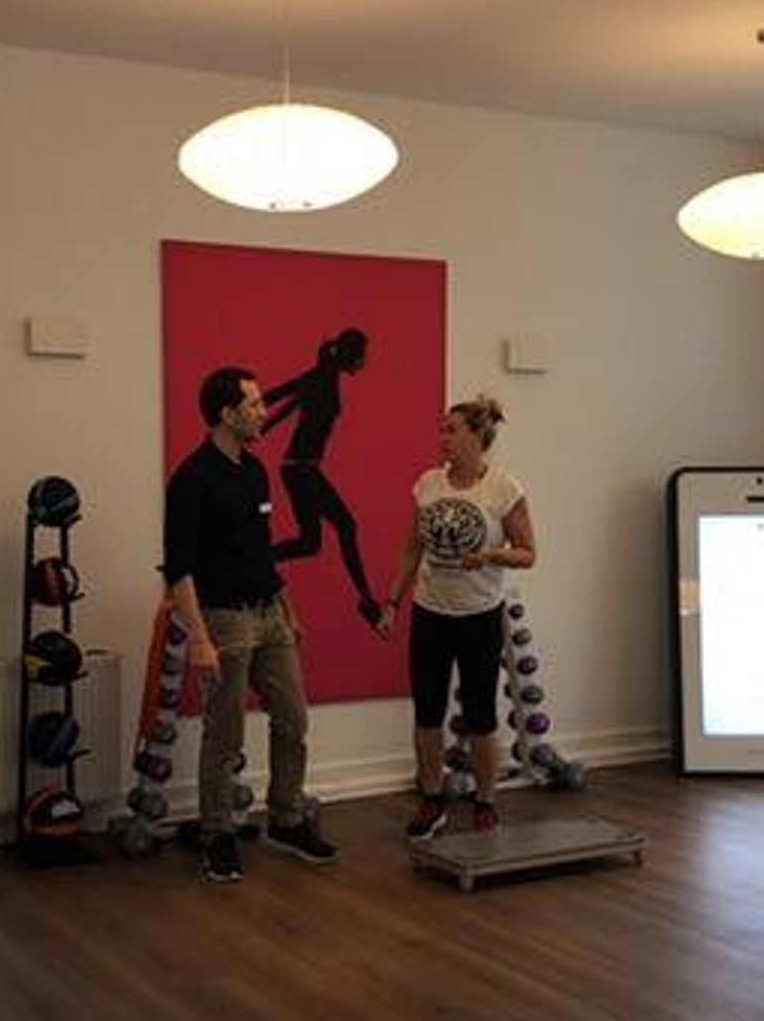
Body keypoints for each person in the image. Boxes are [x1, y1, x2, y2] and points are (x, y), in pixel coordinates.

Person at [163, 365, 337, 883]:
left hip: (269, 614)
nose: (265, 412)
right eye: (255, 404)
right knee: (226, 733)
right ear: (227, 413)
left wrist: (289, 611)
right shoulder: (192, 479)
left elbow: (262, 552)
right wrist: (199, 638)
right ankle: (216, 833)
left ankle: (286, 818)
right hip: (223, 619)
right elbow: (178, 568)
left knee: (293, 719)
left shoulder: (256, 471)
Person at [375, 395, 536, 838]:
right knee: (427, 714)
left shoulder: (503, 489)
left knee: (481, 716)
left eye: (452, 430)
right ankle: (432, 800)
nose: (442, 438)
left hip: (479, 616)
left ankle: (485, 803)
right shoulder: (428, 484)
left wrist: (490, 555)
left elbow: (528, 553)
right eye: (441, 430)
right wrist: (392, 602)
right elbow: (411, 550)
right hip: (431, 613)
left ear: (477, 436)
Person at [263, 327, 382, 625]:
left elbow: (290, 404)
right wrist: (256, 425)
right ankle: (366, 598)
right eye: (361, 356)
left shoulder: (325, 378)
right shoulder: (318, 379)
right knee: (346, 525)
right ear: (349, 355)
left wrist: (265, 426)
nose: (363, 362)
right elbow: (279, 398)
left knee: (310, 543)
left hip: (301, 469)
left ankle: (257, 558)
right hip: (300, 469)